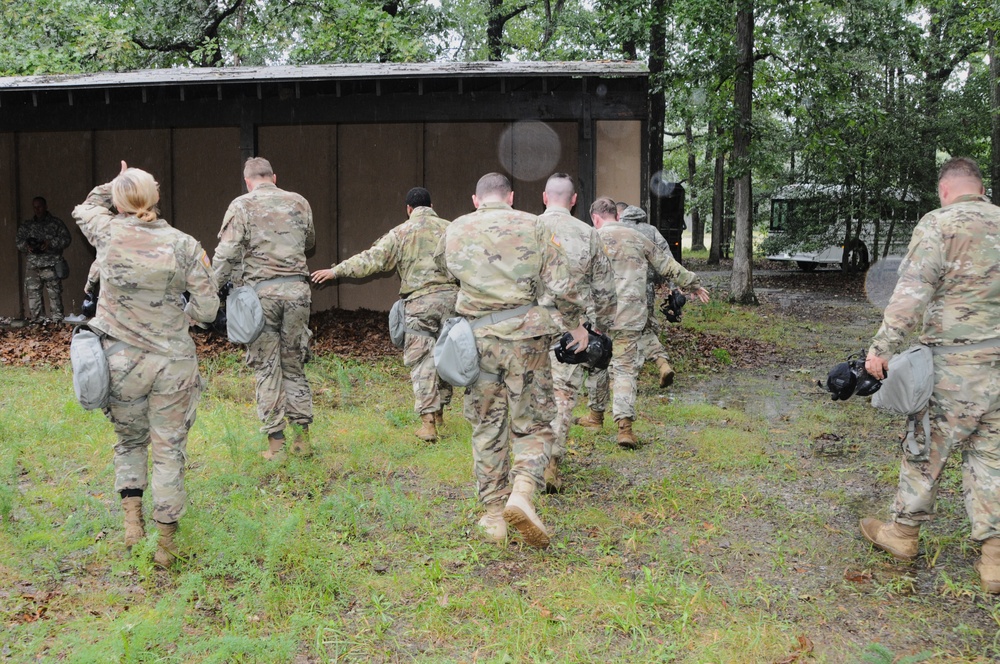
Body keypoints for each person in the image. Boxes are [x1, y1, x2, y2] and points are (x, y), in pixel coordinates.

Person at [861, 157, 1000, 593]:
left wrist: (880, 349)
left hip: (952, 367)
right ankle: (994, 560)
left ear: (945, 190)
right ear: (979, 187)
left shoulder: (940, 224)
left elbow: (911, 293)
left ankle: (902, 534)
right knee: (992, 458)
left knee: (925, 447)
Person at [72, 161, 219, 568]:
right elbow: (208, 307)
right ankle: (167, 544)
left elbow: (85, 206)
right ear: (156, 197)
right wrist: (182, 318)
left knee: (130, 440)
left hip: (120, 362)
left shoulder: (107, 232)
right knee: (168, 450)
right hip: (172, 362)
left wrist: (116, 180)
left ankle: (132, 520)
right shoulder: (184, 243)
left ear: (119, 201)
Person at [437, 172, 589, 548]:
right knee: (534, 424)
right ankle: (522, 492)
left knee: (486, 425)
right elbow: (563, 284)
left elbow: (445, 272)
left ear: (476, 200)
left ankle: (493, 516)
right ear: (511, 197)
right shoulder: (534, 226)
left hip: (477, 342)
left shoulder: (455, 229)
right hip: (527, 340)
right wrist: (576, 326)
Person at [311, 187, 457, 442]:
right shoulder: (452, 229)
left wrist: (336, 271)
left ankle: (429, 423)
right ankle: (442, 413)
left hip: (420, 303)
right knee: (445, 355)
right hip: (452, 302)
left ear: (408, 209)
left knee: (423, 359)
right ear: (432, 205)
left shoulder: (400, 233)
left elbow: (372, 259)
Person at [213, 157, 316, 461]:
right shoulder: (299, 202)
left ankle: (276, 445)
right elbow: (309, 242)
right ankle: (302, 441)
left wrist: (208, 293)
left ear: (247, 181)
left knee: (267, 367)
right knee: (294, 363)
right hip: (298, 292)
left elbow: (227, 253)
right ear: (274, 176)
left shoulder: (241, 205)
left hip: (261, 296)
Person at [591, 197, 709, 448]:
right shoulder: (638, 237)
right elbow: (667, 265)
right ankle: (624, 429)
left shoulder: (590, 238)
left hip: (598, 316)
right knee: (623, 369)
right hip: (630, 315)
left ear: (596, 218)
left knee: (595, 364)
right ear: (617, 215)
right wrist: (694, 284)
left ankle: (593, 416)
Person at [537, 173, 616, 493]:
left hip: (524, 327)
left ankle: (524, 460)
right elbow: (605, 290)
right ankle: (551, 464)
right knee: (562, 397)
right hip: (572, 333)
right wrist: (599, 327)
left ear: (544, 197)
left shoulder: (528, 228)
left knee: (522, 393)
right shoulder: (588, 235)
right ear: (573, 201)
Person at [618, 204, 677, 388]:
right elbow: (666, 257)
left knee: (622, 333)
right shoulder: (651, 231)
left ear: (622, 217)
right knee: (646, 328)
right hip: (646, 289)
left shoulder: (616, 230)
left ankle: (626, 376)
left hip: (619, 289)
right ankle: (662, 363)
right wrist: (672, 286)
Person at [16, 196, 72, 321]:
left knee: (54, 296)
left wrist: (50, 243)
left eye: (40, 206)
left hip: (51, 264)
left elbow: (66, 239)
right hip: (33, 266)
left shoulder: (56, 224)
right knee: (33, 297)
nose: (37, 210)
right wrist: (27, 246)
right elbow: (18, 242)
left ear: (45, 206)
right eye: (35, 207)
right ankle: (38, 324)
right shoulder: (27, 226)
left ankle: (57, 323)